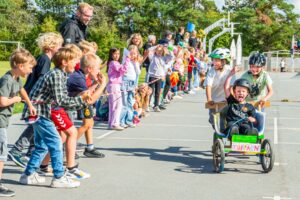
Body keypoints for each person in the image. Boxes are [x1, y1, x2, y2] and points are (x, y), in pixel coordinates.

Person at [19, 47, 104, 188]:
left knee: (42, 145)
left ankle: (27, 175)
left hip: (41, 112)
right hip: (39, 112)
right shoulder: (57, 75)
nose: (77, 63)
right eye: (74, 60)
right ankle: (59, 177)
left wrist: (81, 98)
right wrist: (82, 100)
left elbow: (61, 100)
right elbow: (62, 101)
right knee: (56, 142)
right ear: (64, 62)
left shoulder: (61, 74)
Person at [8, 32, 63, 168]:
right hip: (36, 98)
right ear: (51, 46)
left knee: (36, 125)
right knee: (36, 124)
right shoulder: (45, 59)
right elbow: (44, 80)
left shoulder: (44, 58)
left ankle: (28, 151)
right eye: (59, 46)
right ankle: (17, 150)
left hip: (33, 95)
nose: (60, 49)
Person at [0, 49, 36, 197]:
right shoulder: (7, 80)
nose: (31, 70)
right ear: (20, 66)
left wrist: (29, 104)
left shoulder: (16, 78)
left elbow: (22, 90)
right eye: (30, 67)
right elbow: (2, 101)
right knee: (2, 154)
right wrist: (14, 100)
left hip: (4, 120)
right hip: (0, 121)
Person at [67, 53, 106, 161]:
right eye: (97, 69)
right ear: (89, 69)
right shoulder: (78, 78)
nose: (99, 71)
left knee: (89, 123)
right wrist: (102, 85)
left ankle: (85, 147)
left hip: (70, 104)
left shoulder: (81, 76)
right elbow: (90, 100)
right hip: (62, 107)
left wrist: (96, 83)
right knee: (83, 126)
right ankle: (68, 147)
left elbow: (86, 91)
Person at [204, 48, 234, 127]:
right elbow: (208, 86)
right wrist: (209, 99)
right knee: (213, 121)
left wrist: (230, 99)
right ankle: (217, 132)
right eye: (213, 60)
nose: (214, 62)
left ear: (224, 61)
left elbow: (231, 86)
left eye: (217, 60)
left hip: (225, 100)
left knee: (226, 120)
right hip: (214, 100)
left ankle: (226, 132)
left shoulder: (230, 70)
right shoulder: (212, 71)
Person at [224, 68, 258, 136]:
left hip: (244, 124)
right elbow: (226, 87)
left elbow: (254, 120)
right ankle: (234, 134)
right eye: (238, 91)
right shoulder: (232, 101)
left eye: (243, 91)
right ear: (234, 92)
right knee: (233, 127)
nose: (241, 93)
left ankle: (251, 133)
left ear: (247, 93)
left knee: (247, 127)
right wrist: (231, 74)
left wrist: (253, 120)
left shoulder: (249, 106)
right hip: (232, 123)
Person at [106, 48, 129, 130]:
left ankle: (111, 123)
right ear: (111, 55)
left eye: (118, 54)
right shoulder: (114, 63)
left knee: (113, 105)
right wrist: (127, 59)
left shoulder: (115, 63)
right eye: (115, 54)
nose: (117, 55)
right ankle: (115, 123)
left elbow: (122, 71)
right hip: (114, 85)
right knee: (117, 105)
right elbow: (123, 69)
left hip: (114, 85)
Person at [148, 45, 174, 112]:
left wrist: (167, 50)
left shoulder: (164, 58)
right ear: (155, 51)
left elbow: (172, 57)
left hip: (159, 77)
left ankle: (156, 105)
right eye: (158, 50)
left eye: (160, 51)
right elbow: (149, 50)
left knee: (158, 92)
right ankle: (147, 105)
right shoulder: (153, 57)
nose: (159, 52)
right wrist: (156, 46)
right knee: (150, 92)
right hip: (152, 76)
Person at [120, 45, 141, 127]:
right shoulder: (125, 60)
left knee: (130, 102)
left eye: (135, 53)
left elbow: (138, 72)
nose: (133, 55)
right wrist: (128, 56)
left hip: (132, 82)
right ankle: (121, 121)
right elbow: (124, 50)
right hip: (125, 81)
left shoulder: (135, 62)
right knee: (124, 102)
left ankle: (129, 120)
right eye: (131, 53)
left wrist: (136, 62)